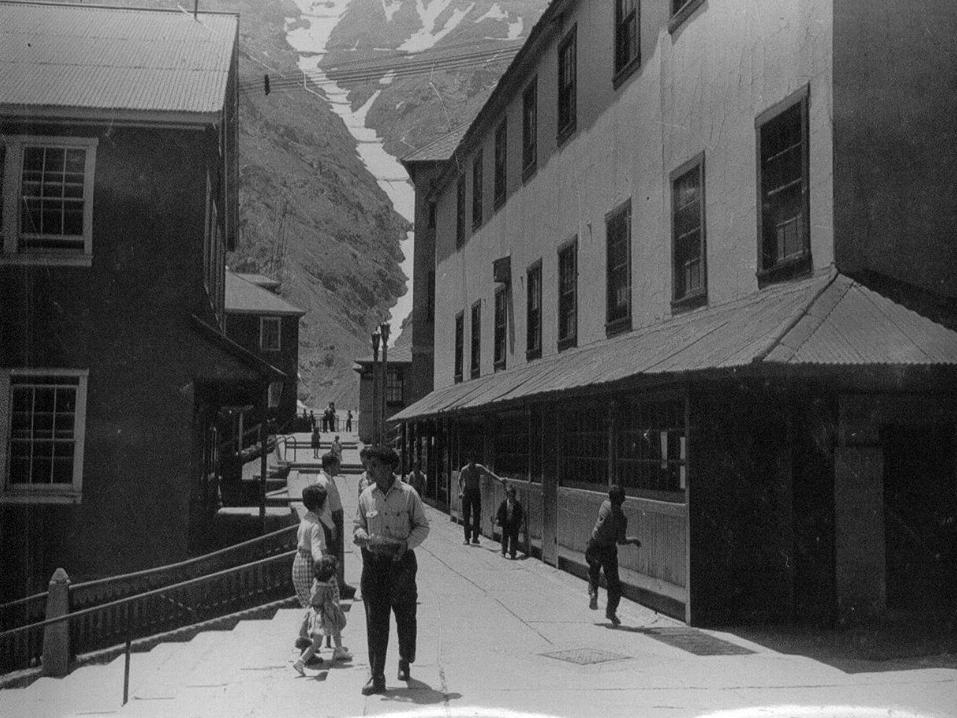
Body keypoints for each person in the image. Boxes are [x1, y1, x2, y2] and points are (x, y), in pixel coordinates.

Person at [353, 445, 430, 695]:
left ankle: (405, 658)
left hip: (402, 566)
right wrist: (362, 535)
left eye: (374, 465)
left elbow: (422, 527)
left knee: (405, 618)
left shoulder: (408, 495)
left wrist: (407, 544)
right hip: (375, 567)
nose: (370, 469)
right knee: (375, 621)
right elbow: (358, 524)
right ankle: (377, 676)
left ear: (387, 467)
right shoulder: (366, 496)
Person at [585, 485, 641, 627]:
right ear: (622, 500)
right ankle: (611, 612)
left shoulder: (604, 505)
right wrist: (633, 539)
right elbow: (621, 541)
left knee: (594, 570)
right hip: (608, 549)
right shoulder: (621, 518)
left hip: (594, 544)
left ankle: (593, 592)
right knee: (614, 584)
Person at [293, 555, 351, 675]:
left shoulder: (317, 582)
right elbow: (321, 600)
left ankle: (339, 649)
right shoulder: (325, 588)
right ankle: (301, 661)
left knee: (335, 629)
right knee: (317, 643)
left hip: (318, 614)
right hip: (321, 617)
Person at [292, 483, 331, 654]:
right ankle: (308, 649)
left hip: (298, 563)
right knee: (316, 608)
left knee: (309, 605)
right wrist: (323, 568)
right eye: (325, 503)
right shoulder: (316, 525)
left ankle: (303, 639)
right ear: (318, 505)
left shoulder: (304, 521)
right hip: (310, 566)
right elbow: (316, 548)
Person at [315, 453, 356, 599]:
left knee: (338, 553)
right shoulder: (322, 482)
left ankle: (340, 583)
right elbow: (323, 508)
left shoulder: (329, 479)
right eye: (337, 465)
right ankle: (335, 586)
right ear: (329, 466)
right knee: (333, 553)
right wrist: (331, 526)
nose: (339, 468)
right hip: (331, 521)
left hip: (337, 518)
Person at [457, 454, 505, 545]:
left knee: (477, 515)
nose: (472, 462)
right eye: (470, 460)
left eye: (473, 460)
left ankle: (475, 537)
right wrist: (460, 491)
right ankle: (466, 538)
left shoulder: (479, 468)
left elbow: (489, 473)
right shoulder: (464, 470)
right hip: (466, 492)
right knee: (466, 515)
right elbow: (459, 480)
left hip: (475, 492)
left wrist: (500, 479)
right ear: (468, 460)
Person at [495, 485, 524, 559]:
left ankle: (513, 553)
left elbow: (520, 514)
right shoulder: (504, 503)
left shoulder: (517, 504)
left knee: (514, 539)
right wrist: (497, 519)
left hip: (514, 524)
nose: (510, 497)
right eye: (509, 495)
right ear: (507, 495)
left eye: (512, 495)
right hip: (506, 523)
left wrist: (520, 523)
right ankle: (504, 551)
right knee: (505, 537)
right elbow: (499, 512)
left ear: (514, 495)